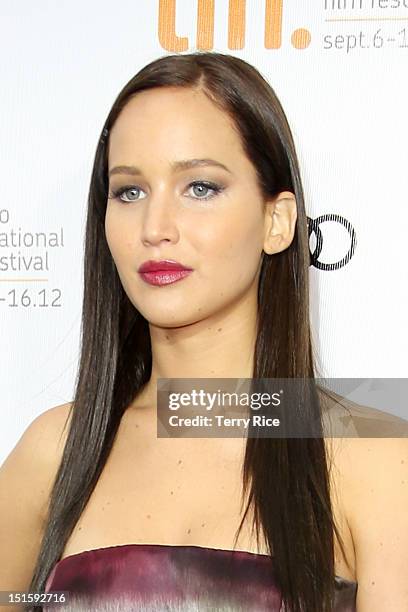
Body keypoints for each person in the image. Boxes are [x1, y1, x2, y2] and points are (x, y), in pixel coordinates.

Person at [0, 51, 407, 612]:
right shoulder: (55, 450)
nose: (155, 228)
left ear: (277, 221)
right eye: (129, 192)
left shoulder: (373, 454)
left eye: (200, 188)